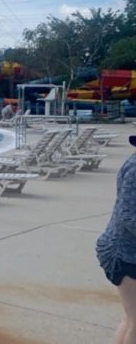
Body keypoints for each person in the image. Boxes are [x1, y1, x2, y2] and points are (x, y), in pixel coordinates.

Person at [97, 136, 136, 344]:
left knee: (131, 318)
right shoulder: (135, 169)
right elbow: (128, 216)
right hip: (124, 252)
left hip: (129, 250)